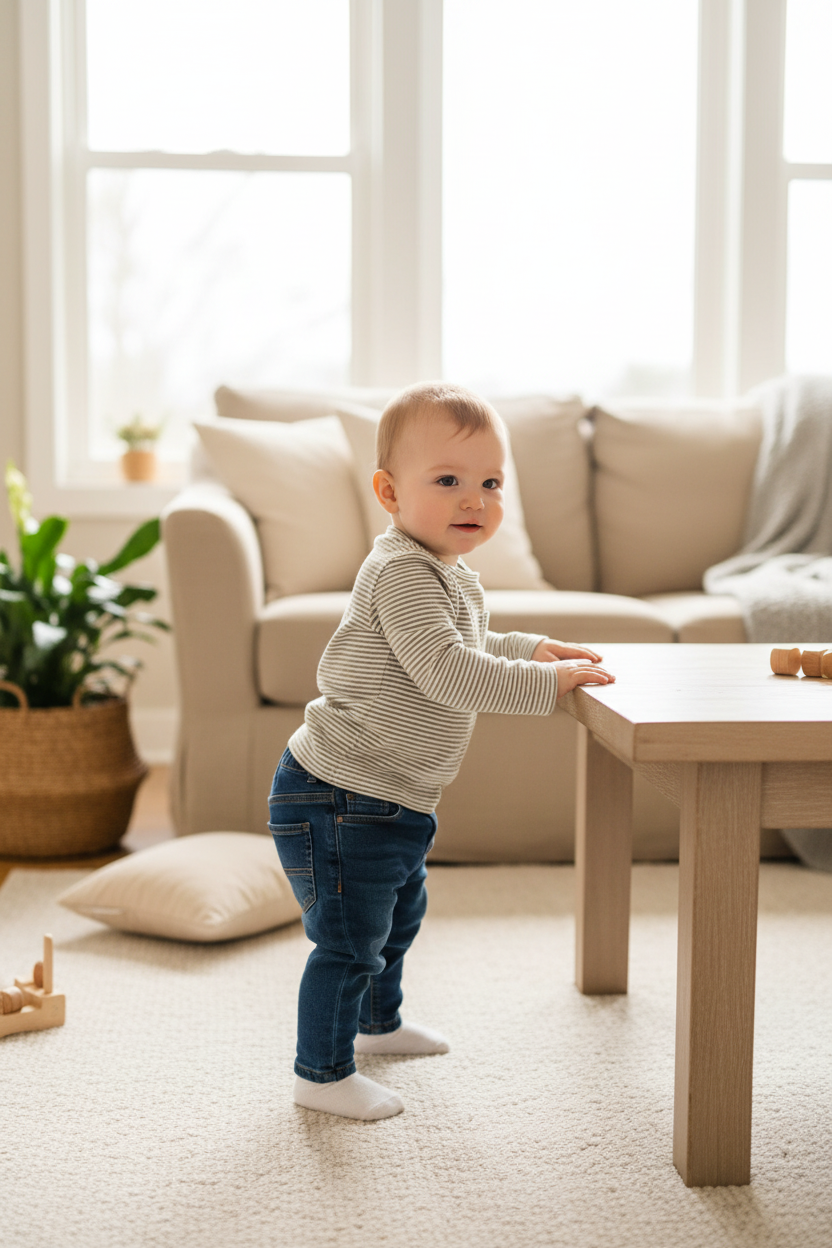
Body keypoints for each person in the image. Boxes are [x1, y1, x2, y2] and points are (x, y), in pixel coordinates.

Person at [269, 382, 615, 1121]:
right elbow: (449, 670)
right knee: (349, 941)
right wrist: (548, 685)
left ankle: (377, 1024)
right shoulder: (400, 570)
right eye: (449, 480)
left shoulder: (445, 572)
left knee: (396, 920)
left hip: (391, 798)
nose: (474, 500)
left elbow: (471, 642)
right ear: (390, 493)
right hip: (340, 794)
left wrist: (530, 648)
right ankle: (320, 1074)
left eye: (491, 483)